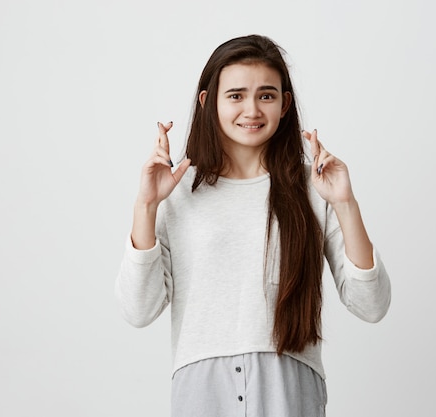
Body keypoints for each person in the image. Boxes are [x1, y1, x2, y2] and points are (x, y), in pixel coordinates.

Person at [115, 34, 391, 417]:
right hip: (201, 390)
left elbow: (371, 306)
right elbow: (138, 310)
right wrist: (146, 205)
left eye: (266, 95)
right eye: (235, 95)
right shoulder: (177, 192)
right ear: (207, 101)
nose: (252, 110)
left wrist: (344, 203)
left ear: (285, 104)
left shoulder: (315, 188)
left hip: (289, 388)